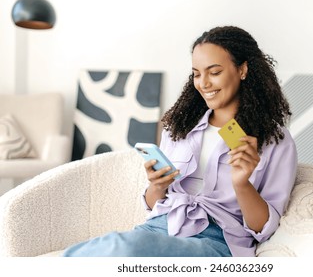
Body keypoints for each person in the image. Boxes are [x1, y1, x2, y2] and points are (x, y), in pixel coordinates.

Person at [63, 25, 297, 257]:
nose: (203, 83)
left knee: (124, 248)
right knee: (102, 248)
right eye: (197, 73)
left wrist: (242, 184)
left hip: (216, 239)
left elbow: (264, 229)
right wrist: (157, 185)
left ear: (242, 70)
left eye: (214, 72)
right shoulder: (180, 129)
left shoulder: (274, 141)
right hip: (159, 227)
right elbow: (156, 206)